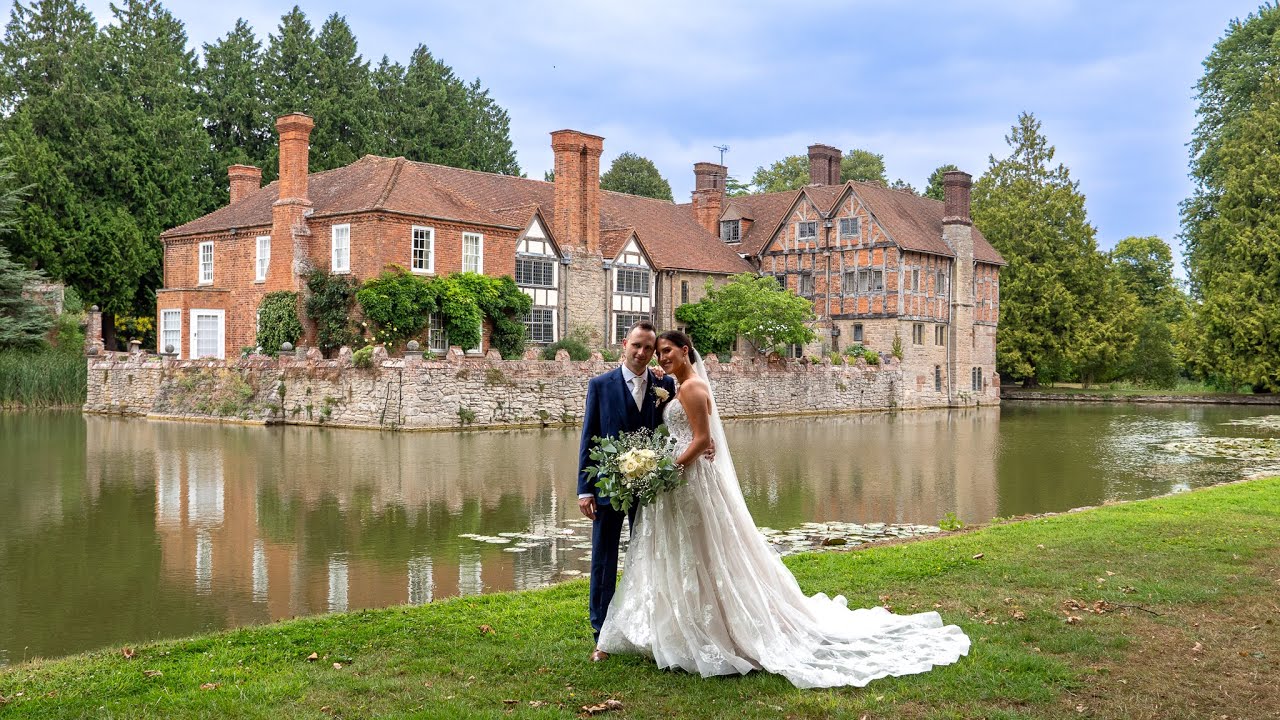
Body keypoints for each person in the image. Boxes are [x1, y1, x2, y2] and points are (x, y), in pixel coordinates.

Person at [596, 330, 971, 688]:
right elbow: (687, 435)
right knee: (685, 552)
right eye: (657, 352)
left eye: (666, 351)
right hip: (681, 480)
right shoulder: (675, 388)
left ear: (684, 351)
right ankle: (679, 626)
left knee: (702, 550)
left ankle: (711, 628)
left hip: (688, 479)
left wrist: (669, 468)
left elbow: (703, 440)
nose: (660, 358)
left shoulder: (693, 387)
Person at [577, 321, 676, 663]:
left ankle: (647, 629)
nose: (642, 353)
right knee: (603, 560)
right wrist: (584, 490)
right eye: (637, 345)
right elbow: (589, 437)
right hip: (607, 488)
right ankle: (601, 633)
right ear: (624, 343)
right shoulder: (600, 385)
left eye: (649, 348)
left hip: (650, 490)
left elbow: (677, 428)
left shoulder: (664, 386)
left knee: (647, 557)